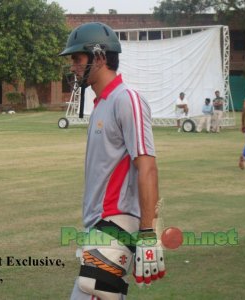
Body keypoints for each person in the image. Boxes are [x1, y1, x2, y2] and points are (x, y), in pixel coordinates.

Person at [59, 22, 165, 299]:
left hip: (114, 224)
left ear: (100, 57)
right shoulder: (102, 103)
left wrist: (147, 233)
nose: (73, 66)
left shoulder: (125, 99)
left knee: (89, 292)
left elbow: (147, 167)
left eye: (77, 58)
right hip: (100, 226)